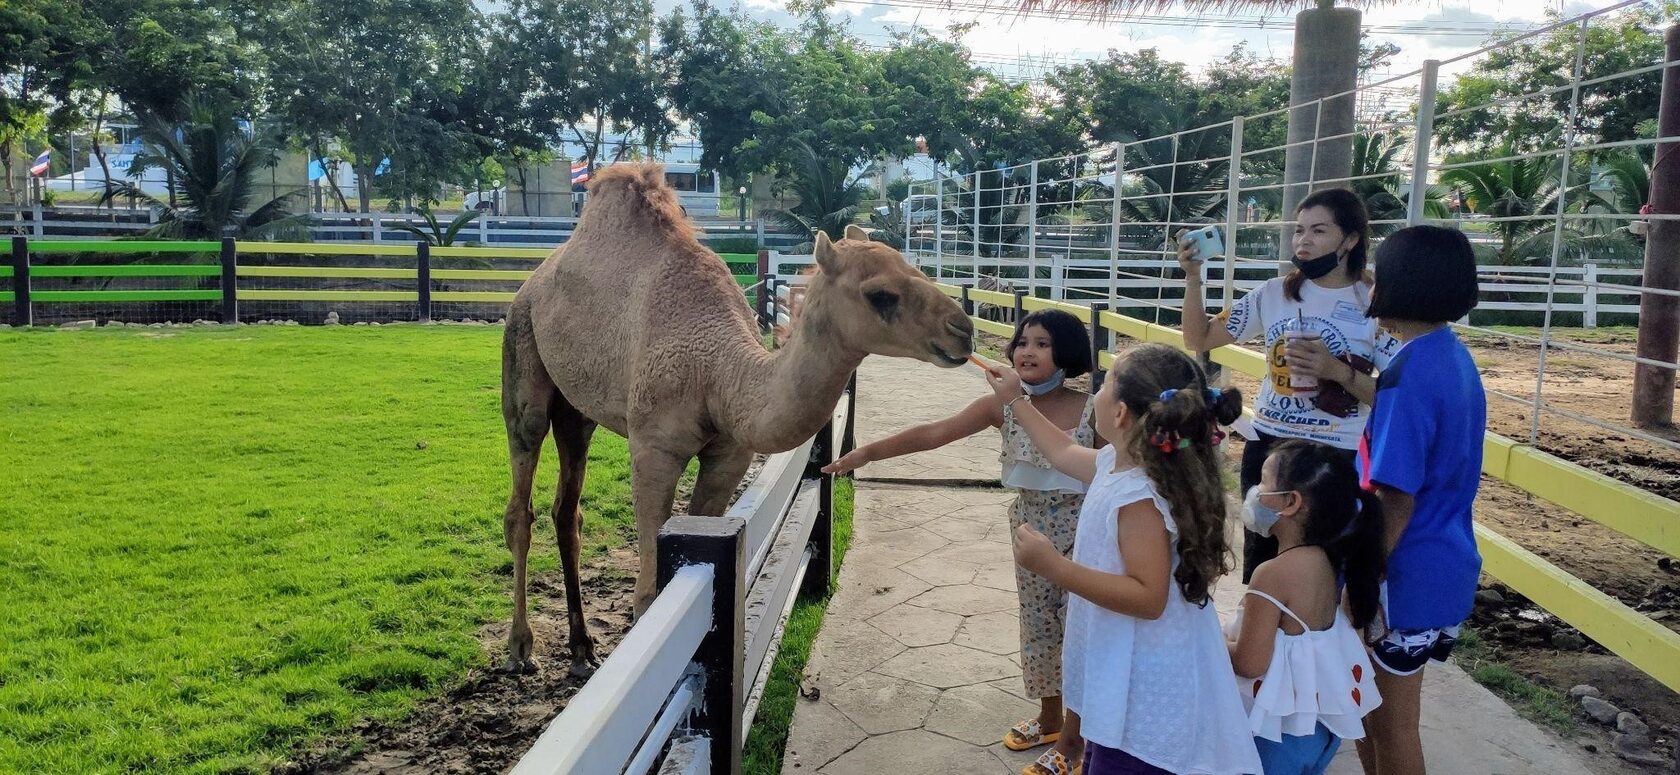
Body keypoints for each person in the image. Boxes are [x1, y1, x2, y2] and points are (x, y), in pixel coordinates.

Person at [824, 310, 1095, 775]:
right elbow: (935, 433)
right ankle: (1050, 719)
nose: (1027, 351)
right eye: (1023, 341)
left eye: (1043, 344)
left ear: (1067, 354)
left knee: (1083, 638)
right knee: (1040, 631)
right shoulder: (1002, 407)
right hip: (1029, 533)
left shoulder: (1093, 408)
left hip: (1087, 536)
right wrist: (866, 452)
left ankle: (1074, 744)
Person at [989, 343, 1261, 775]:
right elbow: (1060, 452)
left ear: (1119, 415)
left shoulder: (1139, 497)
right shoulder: (1119, 464)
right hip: (1126, 669)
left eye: (1105, 383)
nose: (1095, 390)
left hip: (1146, 693)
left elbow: (1148, 597)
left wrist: (1056, 568)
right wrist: (1015, 400)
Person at [1177, 189, 1401, 583]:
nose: (1303, 241)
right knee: (1263, 565)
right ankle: (1262, 640)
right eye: (1299, 230)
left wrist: (1337, 371)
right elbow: (1199, 338)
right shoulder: (1275, 292)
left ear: (1350, 239)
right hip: (1269, 449)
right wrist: (1193, 278)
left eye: (1318, 230)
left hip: (1334, 454)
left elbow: (1393, 399)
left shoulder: (1375, 303)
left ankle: (1315, 643)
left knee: (1325, 571)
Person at [1354, 225, 1485, 775]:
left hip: (1403, 574)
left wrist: (1360, 584)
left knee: (1389, 725)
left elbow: (1396, 497)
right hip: (1442, 563)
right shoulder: (1449, 357)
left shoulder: (1408, 376)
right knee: (1366, 714)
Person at [1225, 440, 1386, 774]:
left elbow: (1250, 662)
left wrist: (1207, 637)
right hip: (1317, 729)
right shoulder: (1325, 561)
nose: (1255, 491)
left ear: (1291, 502)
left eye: (1264, 481)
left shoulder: (1272, 574)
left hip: (1278, 736)